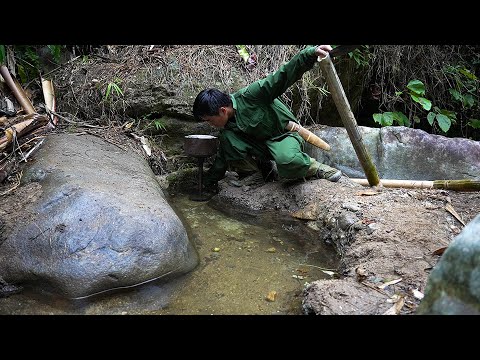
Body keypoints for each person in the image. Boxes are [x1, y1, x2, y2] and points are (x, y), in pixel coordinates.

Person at [192, 45, 342, 194]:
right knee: (227, 140)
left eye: (210, 120)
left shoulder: (252, 95)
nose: (210, 125)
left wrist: (309, 54)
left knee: (288, 160)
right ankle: (261, 173)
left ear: (222, 111)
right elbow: (222, 159)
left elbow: (283, 75)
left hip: (284, 136)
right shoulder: (228, 126)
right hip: (262, 148)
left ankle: (319, 169)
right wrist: (208, 182)